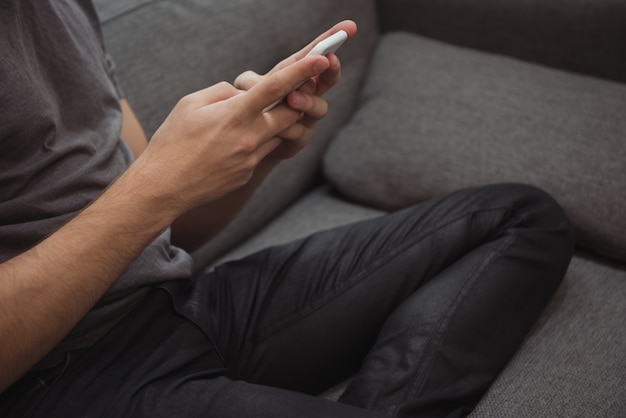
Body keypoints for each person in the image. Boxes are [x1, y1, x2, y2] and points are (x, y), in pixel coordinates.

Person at [0, 1, 574, 417]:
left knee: (525, 215)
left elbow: (163, 225)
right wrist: (161, 182)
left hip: (174, 303)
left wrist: (256, 155)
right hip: (58, 378)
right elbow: (151, 195)